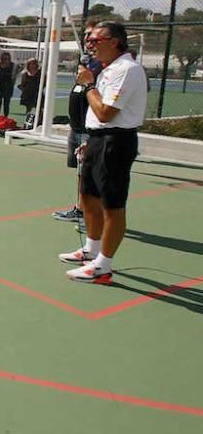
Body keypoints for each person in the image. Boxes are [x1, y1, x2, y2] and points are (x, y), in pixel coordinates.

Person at [58, 21, 146, 285]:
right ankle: (91, 250)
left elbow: (106, 113)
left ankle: (103, 267)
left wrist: (88, 85)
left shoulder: (127, 69)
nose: (89, 44)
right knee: (88, 198)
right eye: (89, 40)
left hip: (115, 142)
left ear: (114, 41)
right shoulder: (110, 69)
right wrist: (92, 140)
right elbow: (100, 118)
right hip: (99, 140)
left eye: (95, 40)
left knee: (112, 205)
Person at [54, 21, 100, 224]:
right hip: (77, 127)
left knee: (91, 174)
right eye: (86, 37)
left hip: (90, 130)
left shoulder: (103, 67)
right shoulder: (86, 65)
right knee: (81, 174)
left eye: (92, 37)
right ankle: (81, 209)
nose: (88, 41)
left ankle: (92, 214)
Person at [0, 52, 17, 118]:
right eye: (4, 58)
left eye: (8, 58)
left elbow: (14, 77)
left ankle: (6, 118)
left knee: (6, 104)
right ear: (1, 58)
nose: (6, 60)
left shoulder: (13, 66)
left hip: (8, 87)